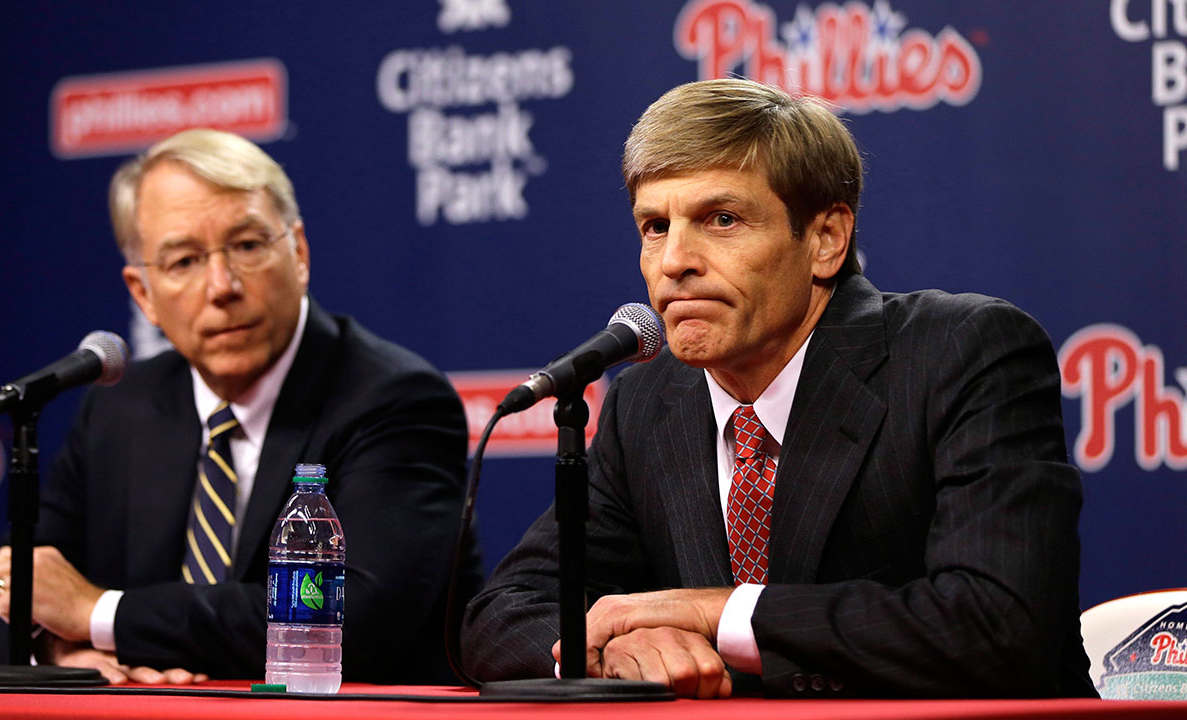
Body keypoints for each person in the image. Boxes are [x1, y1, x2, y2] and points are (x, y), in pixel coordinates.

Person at [461, 79, 1095, 699]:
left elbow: (1000, 625)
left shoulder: (959, 353)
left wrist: (723, 615)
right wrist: (606, 647)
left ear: (825, 240)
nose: (675, 260)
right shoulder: (648, 404)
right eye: (655, 226)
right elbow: (502, 615)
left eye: (723, 219)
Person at [0, 128, 482, 684]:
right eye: (184, 261)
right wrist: (59, 655)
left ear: (298, 253)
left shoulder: (393, 399)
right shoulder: (122, 409)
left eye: (248, 246)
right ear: (142, 295)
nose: (222, 286)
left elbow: (352, 624)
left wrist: (97, 614)